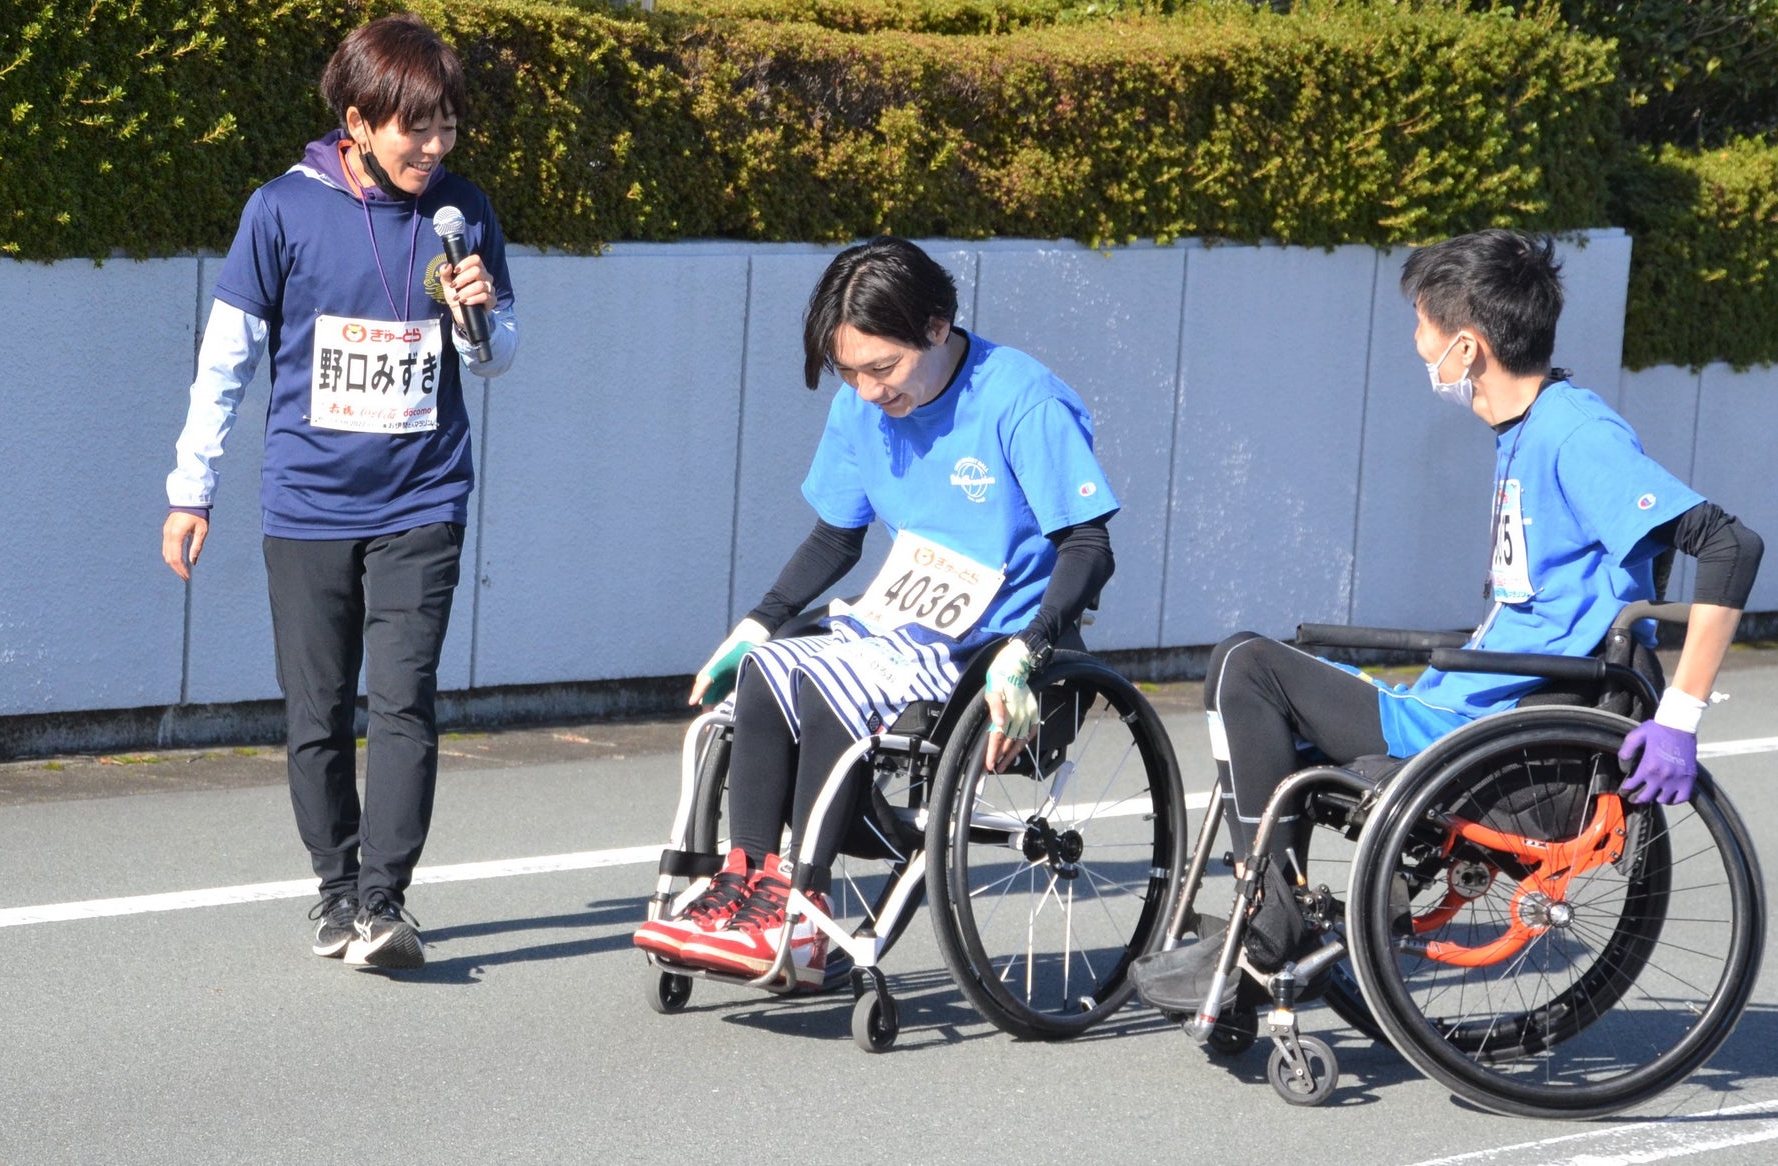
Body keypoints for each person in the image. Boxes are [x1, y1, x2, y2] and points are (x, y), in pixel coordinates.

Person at [1134, 228, 1761, 1011]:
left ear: (1466, 348)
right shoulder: (1524, 432)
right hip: (1461, 701)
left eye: (1422, 327)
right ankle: (1271, 924)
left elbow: (1730, 545)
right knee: (1261, 673)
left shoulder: (1575, 434)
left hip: (1481, 729)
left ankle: (1268, 933)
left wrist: (1678, 717)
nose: (1415, 343)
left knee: (1244, 666)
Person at [632, 236, 1119, 986]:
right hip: (895, 620)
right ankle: (747, 880)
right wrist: (756, 622)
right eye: (847, 371)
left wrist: (1030, 649)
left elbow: (1088, 546)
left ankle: (803, 903)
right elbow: (837, 535)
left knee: (835, 685)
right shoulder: (859, 405)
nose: (866, 391)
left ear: (935, 327)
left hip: (987, 637)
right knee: (771, 667)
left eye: (881, 369)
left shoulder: (1020, 397)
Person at [161, 14, 519, 970]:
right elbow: (225, 361)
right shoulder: (281, 209)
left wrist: (478, 317)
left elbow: (498, 360)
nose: (436, 147)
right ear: (359, 121)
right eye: (417, 128)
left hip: (424, 496)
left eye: (447, 126)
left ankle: (386, 902)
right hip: (309, 501)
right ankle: (334, 887)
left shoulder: (463, 211)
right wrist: (190, 488)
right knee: (317, 709)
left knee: (403, 701)